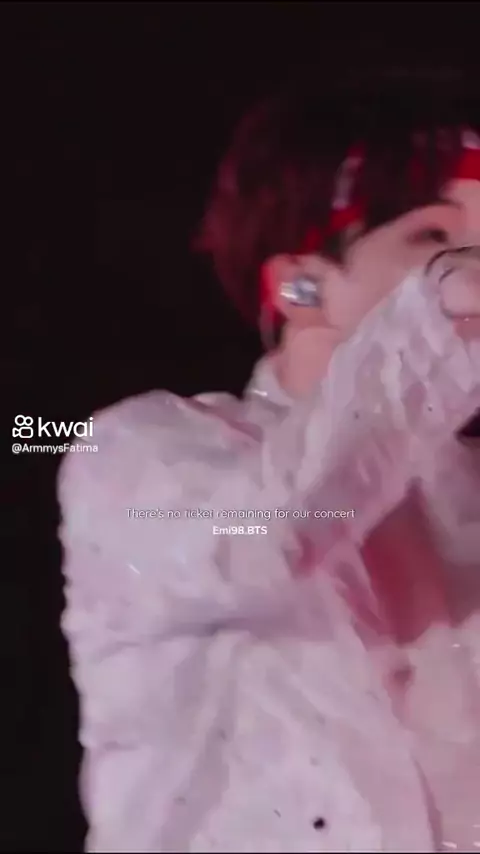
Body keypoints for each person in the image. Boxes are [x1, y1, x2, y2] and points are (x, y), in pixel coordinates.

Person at [59, 69, 480, 853]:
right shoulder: (136, 453)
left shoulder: (465, 495)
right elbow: (273, 530)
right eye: (433, 237)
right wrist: (449, 302)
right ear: (298, 287)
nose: (472, 262)